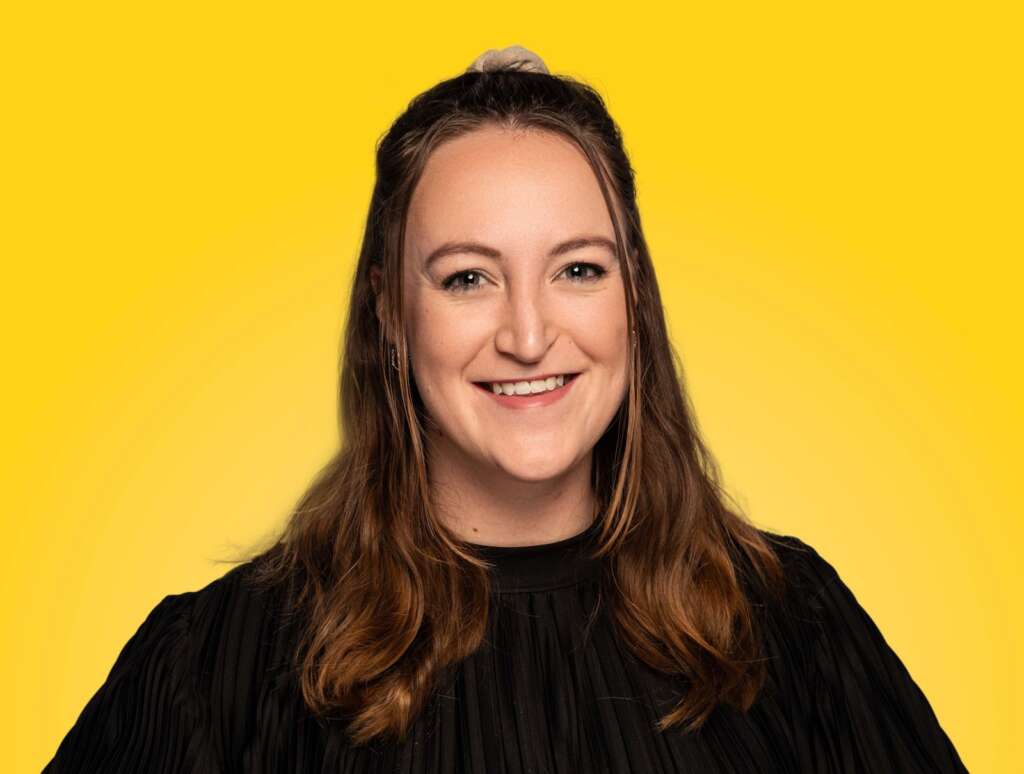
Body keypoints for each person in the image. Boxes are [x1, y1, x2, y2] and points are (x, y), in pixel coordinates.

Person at [43, 45, 969, 773]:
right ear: (388, 309)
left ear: (634, 294)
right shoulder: (214, 666)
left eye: (578, 269)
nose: (529, 336)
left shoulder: (793, 626)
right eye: (468, 278)